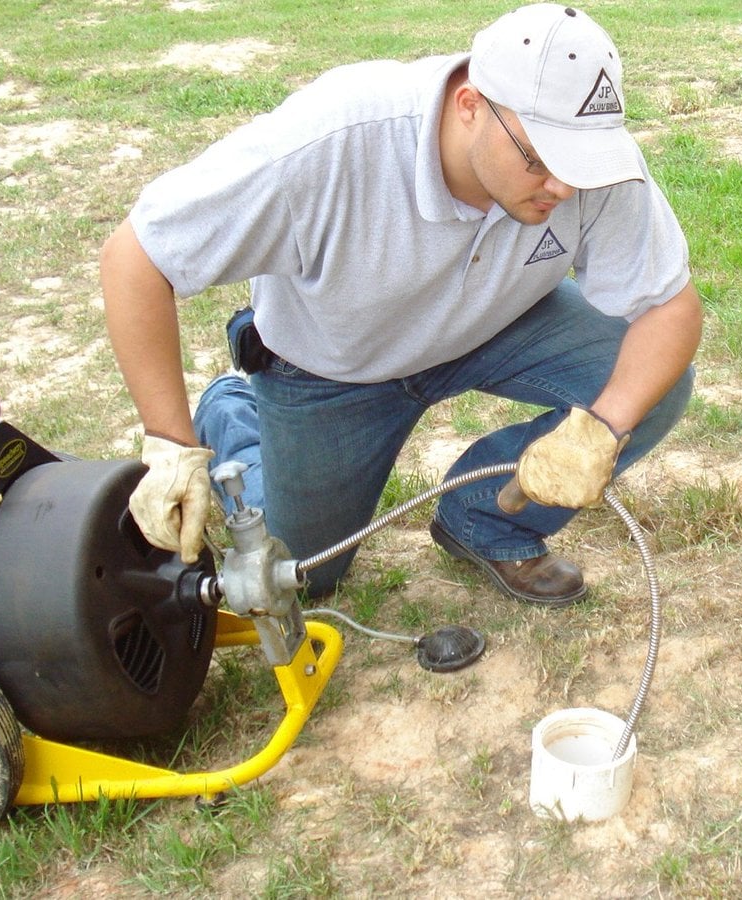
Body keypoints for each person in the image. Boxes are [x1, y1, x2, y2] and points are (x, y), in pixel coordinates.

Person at [100, 3, 702, 606]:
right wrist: (171, 444)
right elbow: (138, 256)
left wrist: (602, 428)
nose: (565, 187)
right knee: (305, 573)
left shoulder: (584, 163)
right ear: (470, 106)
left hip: (496, 325)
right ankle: (233, 411)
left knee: (650, 384)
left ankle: (483, 519)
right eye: (540, 158)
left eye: (582, 163)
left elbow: (669, 309)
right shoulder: (331, 141)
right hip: (334, 369)